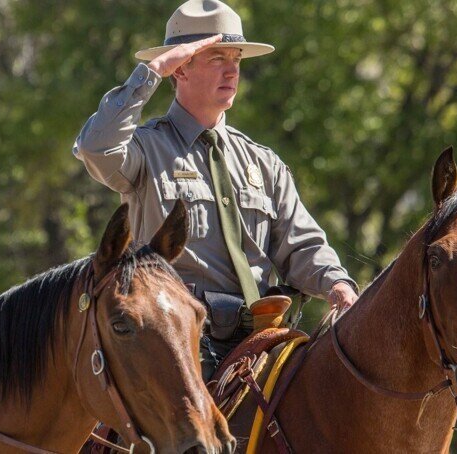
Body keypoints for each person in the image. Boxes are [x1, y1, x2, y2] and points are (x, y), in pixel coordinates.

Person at [73, 0, 358, 380]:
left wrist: (337, 284)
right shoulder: (147, 150)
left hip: (262, 338)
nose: (231, 71)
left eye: (236, 59)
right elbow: (95, 147)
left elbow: (301, 244)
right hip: (178, 341)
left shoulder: (262, 162)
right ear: (181, 69)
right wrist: (152, 72)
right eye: (215, 58)